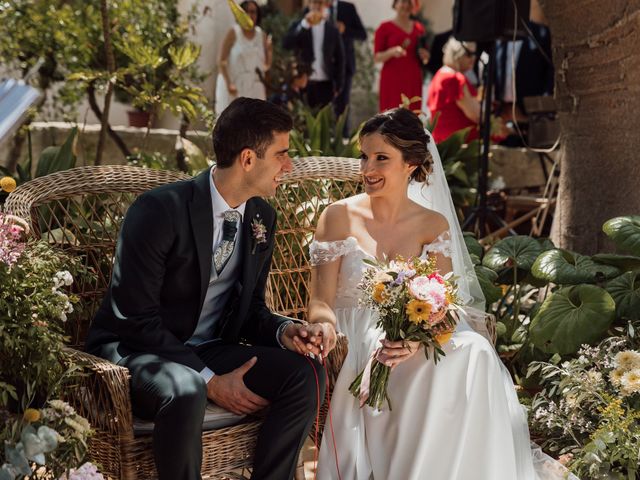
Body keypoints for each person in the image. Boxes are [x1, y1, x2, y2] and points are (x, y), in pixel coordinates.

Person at [306, 108, 579, 479]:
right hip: (358, 336)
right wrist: (322, 326)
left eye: (381, 158)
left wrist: (417, 339)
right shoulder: (338, 216)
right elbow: (320, 300)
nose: (368, 168)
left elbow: (444, 302)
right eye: (364, 156)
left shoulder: (431, 224)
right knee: (424, 367)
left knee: (477, 352)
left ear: (412, 164)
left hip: (420, 332)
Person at [85, 98, 326, 480]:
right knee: (186, 389)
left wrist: (284, 330)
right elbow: (134, 319)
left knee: (305, 373)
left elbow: (250, 312)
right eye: (282, 154)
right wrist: (209, 380)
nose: (288, 166)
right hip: (138, 352)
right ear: (248, 159)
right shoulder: (159, 210)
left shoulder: (262, 216)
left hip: (211, 349)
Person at [283, 0, 345, 110]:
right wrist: (304, 25)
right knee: (301, 122)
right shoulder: (299, 25)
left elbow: (340, 58)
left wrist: (339, 85)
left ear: (324, 6)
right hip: (303, 83)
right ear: (309, 5)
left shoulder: (332, 30)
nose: (316, 6)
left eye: (320, 3)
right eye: (314, 2)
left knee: (324, 123)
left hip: (326, 84)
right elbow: (287, 45)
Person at [215, 1, 272, 116]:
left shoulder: (262, 35)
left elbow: (265, 66)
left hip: (255, 89)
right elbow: (221, 61)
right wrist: (228, 84)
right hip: (234, 88)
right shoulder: (233, 32)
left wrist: (270, 50)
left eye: (253, 12)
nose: (250, 15)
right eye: (246, 12)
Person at [374, 0, 430, 112]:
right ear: (395, 4)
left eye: (409, 2)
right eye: (403, 1)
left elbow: (425, 57)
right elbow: (377, 57)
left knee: (412, 113)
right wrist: (391, 52)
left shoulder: (419, 28)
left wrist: (425, 56)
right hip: (392, 78)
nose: (406, 6)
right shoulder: (384, 28)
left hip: (413, 77)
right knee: (391, 114)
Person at [427, 37, 481, 143]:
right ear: (457, 54)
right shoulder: (455, 79)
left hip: (442, 144)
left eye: (475, 54)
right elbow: (475, 114)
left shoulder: (439, 75)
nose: (473, 59)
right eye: (469, 54)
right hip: (459, 146)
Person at [325, 0, 367, 135]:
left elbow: (362, 34)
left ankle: (341, 145)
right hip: (321, 66)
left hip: (345, 67)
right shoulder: (314, 7)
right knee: (320, 108)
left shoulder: (348, 8)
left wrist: (345, 30)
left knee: (342, 109)